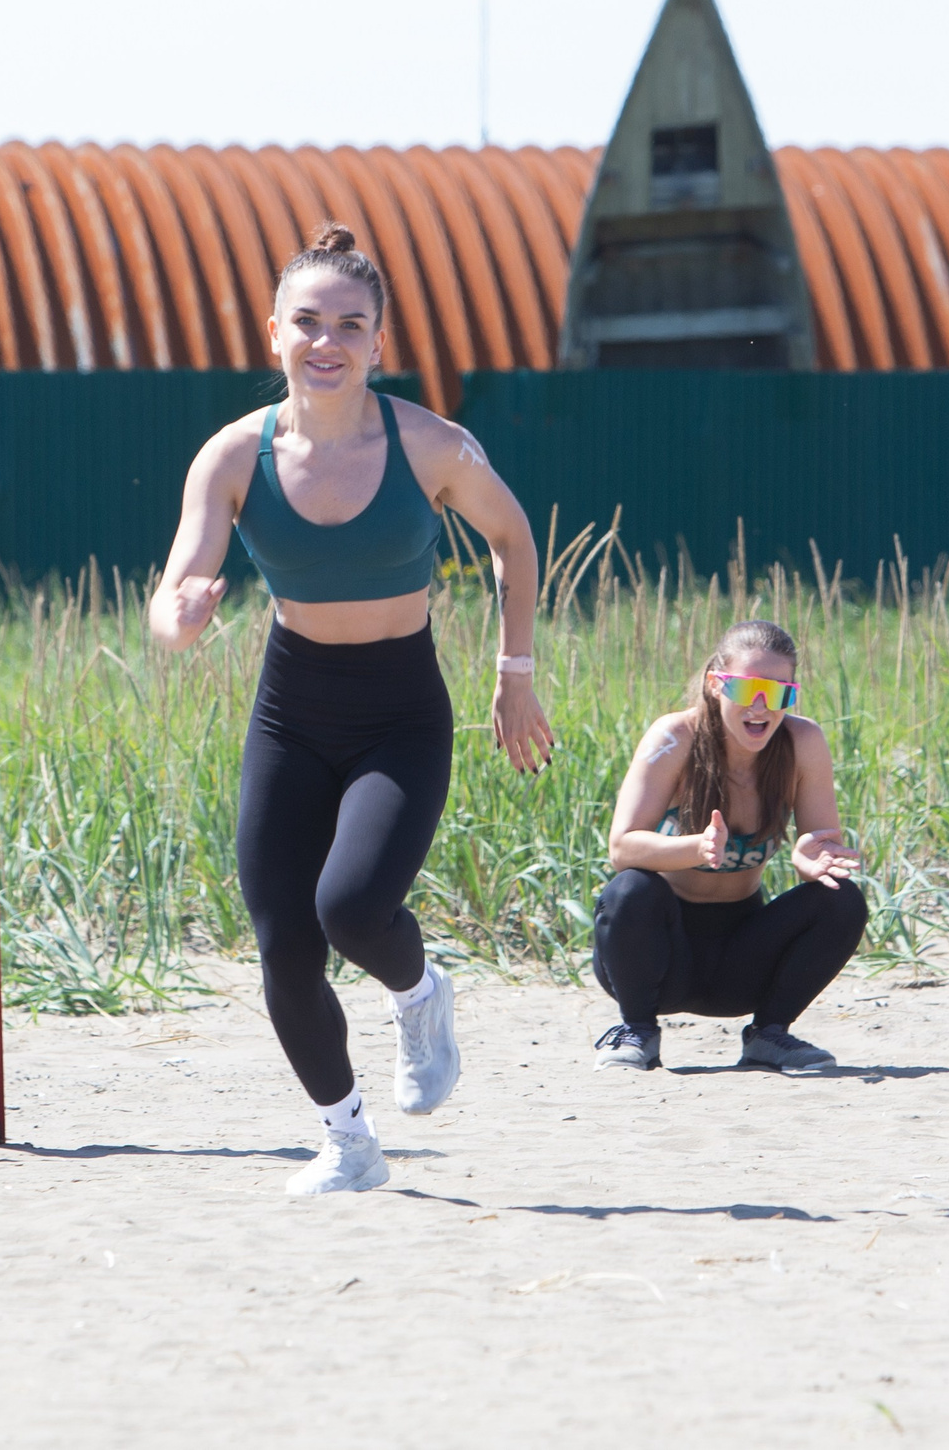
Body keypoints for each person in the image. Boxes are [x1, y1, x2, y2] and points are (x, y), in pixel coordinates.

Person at [149, 223, 555, 1196]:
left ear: (378, 340)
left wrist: (515, 673)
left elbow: (513, 538)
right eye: (307, 322)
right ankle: (348, 1142)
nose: (326, 341)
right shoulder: (232, 457)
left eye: (349, 325)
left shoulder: (430, 444)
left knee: (352, 908)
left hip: (398, 712)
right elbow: (171, 601)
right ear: (274, 334)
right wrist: (183, 617)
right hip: (291, 711)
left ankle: (418, 993)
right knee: (285, 948)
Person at [593, 619, 868, 1073]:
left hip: (740, 961)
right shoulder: (674, 737)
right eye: (746, 688)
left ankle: (770, 1033)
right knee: (629, 889)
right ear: (715, 684)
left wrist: (808, 861)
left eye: (777, 692)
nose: (761, 706)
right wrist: (695, 848)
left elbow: (824, 851)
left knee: (841, 899)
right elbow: (622, 848)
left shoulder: (803, 742)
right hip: (659, 958)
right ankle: (637, 1030)